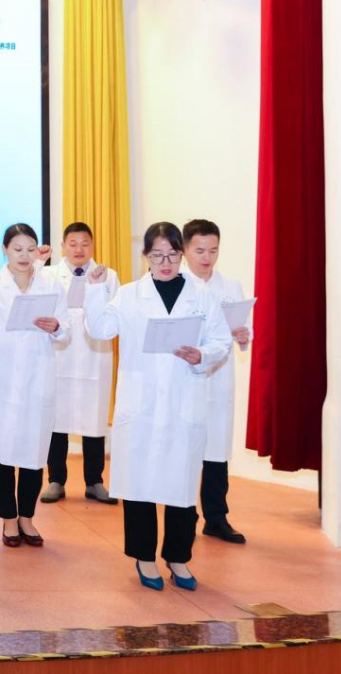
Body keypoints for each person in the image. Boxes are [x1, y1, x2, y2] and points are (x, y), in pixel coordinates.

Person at [84, 222, 232, 591]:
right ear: (145, 256)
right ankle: (144, 557)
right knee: (140, 484)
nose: (165, 263)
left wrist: (202, 354)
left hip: (184, 402)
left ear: (181, 254)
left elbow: (221, 340)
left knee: (181, 485)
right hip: (142, 404)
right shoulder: (130, 295)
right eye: (156, 256)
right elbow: (100, 329)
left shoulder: (201, 296)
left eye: (172, 255)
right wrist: (95, 290)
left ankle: (178, 557)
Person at [0, 224, 68, 548]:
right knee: (2, 451)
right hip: (1, 373)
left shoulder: (50, 283)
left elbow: (66, 329)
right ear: (5, 250)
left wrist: (56, 326)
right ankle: (8, 519)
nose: (24, 256)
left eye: (30, 249)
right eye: (17, 249)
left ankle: (27, 517)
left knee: (33, 450)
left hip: (37, 375)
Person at [183, 218, 252, 544]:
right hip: (186, 377)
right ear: (185, 250)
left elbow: (242, 330)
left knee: (216, 449)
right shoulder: (177, 285)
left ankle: (216, 517)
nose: (207, 258)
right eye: (200, 251)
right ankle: (183, 515)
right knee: (186, 448)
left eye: (213, 250)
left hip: (219, 376)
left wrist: (243, 335)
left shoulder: (230, 286)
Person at [42, 222, 121, 505]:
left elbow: (114, 313)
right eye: (73, 243)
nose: (79, 249)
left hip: (94, 355)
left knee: (94, 418)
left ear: (93, 246)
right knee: (56, 419)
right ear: (63, 246)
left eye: (85, 243)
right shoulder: (49, 274)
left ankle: (95, 481)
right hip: (59, 354)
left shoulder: (108, 275)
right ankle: (56, 480)